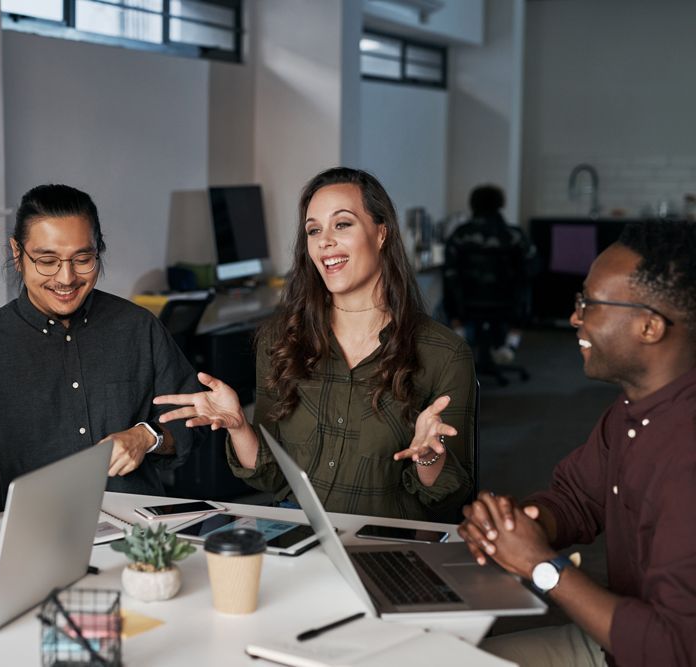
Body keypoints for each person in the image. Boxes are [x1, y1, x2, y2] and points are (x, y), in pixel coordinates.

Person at [155, 167, 474, 520]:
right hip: (298, 540)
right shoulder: (281, 341)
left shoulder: (444, 354)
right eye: (313, 230)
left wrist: (429, 455)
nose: (325, 241)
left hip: (384, 549)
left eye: (342, 224)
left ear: (381, 233)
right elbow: (271, 478)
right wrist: (240, 428)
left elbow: (449, 500)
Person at [459, 220, 696, 666]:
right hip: (613, 644)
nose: (574, 317)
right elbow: (576, 499)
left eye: (589, 303)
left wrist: (539, 565)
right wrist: (516, 527)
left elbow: (675, 650)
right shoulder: (629, 413)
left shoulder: (687, 454)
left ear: (650, 326)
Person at [0, 184, 205, 529]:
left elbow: (191, 421)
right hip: (29, 538)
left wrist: (146, 437)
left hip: (139, 538)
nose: (66, 279)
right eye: (47, 261)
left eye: (83, 259)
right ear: (17, 254)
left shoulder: (138, 328)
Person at [443, 184, 535, 364]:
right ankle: (509, 345)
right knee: (526, 287)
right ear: (500, 205)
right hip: (509, 303)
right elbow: (532, 266)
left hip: (465, 303)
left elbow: (449, 268)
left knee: (448, 283)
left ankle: (460, 338)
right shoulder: (514, 235)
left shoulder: (459, 235)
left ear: (473, 205)